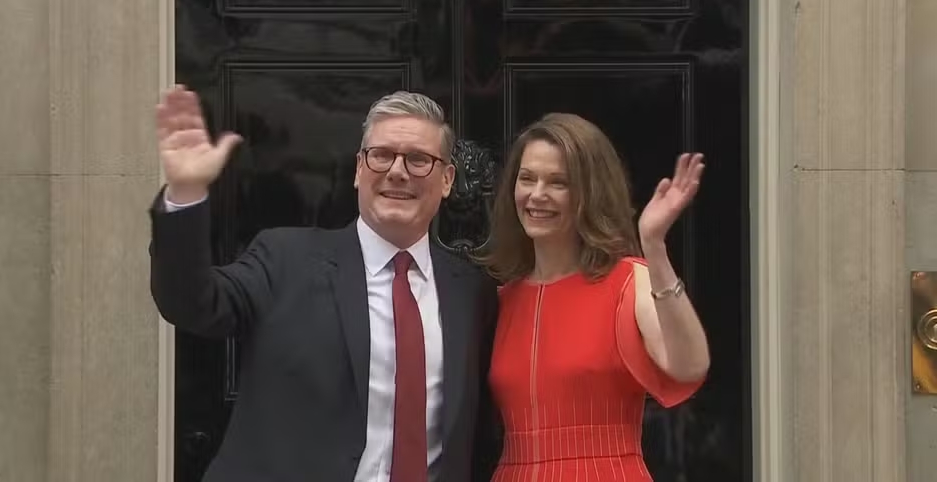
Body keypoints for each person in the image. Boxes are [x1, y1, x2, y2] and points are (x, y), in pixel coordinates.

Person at [148, 86, 500, 482]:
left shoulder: (471, 292)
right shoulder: (285, 260)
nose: (397, 171)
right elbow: (191, 304)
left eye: (419, 160)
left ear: (448, 179)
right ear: (359, 169)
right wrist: (186, 193)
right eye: (381, 155)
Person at [479, 113, 710, 481]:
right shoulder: (501, 300)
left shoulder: (627, 282)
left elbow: (688, 365)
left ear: (590, 192)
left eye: (559, 182)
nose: (537, 194)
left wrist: (653, 246)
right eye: (527, 179)